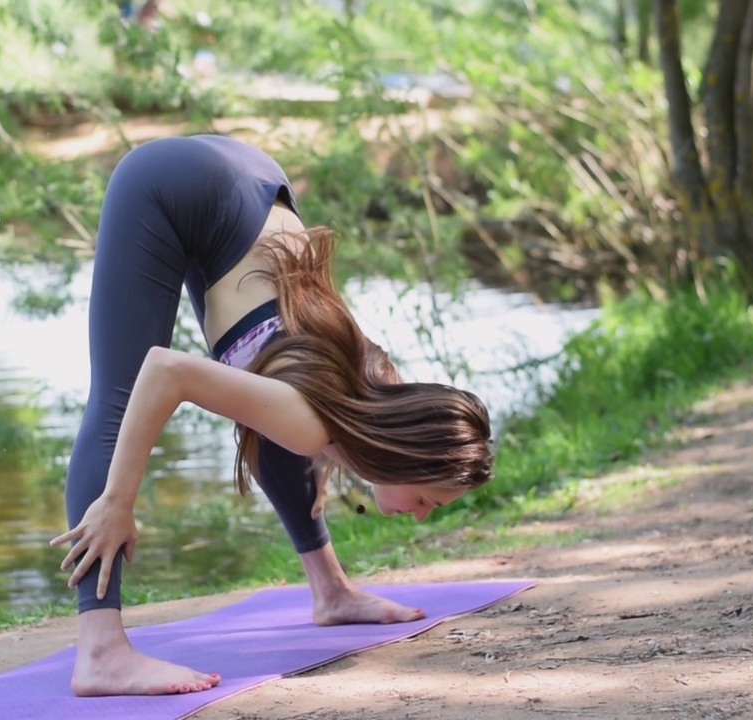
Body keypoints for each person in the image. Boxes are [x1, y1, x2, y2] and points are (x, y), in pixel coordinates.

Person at [49, 134, 494, 697]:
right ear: (403, 452)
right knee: (118, 397)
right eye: (427, 499)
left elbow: (296, 416)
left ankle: (330, 593)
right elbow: (165, 371)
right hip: (168, 186)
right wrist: (119, 500)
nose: (423, 516)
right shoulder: (313, 417)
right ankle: (101, 652)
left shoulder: (381, 385)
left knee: (296, 429)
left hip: (243, 182)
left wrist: (328, 453)